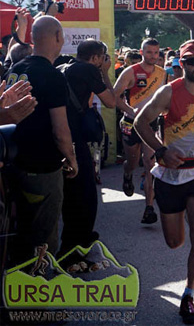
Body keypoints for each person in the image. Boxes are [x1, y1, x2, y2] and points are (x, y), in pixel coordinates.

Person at [135, 39, 194, 324]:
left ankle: (189, 296)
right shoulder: (168, 92)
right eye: (192, 62)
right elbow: (140, 122)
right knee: (176, 242)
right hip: (169, 175)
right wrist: (161, 151)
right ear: (181, 64)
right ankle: (177, 229)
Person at [7, 16, 75, 266]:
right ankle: (40, 295)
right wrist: (72, 158)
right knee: (44, 236)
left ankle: (17, 288)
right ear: (58, 36)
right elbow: (60, 129)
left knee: (21, 230)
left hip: (14, 161)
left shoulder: (16, 68)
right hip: (42, 165)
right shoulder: (51, 75)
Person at [57, 40, 117, 256]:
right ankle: (77, 243)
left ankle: (71, 240)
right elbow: (111, 101)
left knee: (70, 190)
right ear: (95, 58)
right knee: (86, 192)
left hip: (58, 133)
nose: (103, 60)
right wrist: (106, 73)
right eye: (103, 57)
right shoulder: (89, 70)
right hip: (74, 137)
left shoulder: (62, 67)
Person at [113, 38, 168, 224]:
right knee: (133, 161)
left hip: (150, 124)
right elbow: (115, 96)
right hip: (130, 123)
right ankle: (127, 174)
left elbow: (163, 99)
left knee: (149, 163)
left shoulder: (162, 74)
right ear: (142, 52)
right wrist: (130, 110)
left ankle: (149, 208)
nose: (153, 56)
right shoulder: (131, 72)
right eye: (149, 52)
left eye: (156, 52)